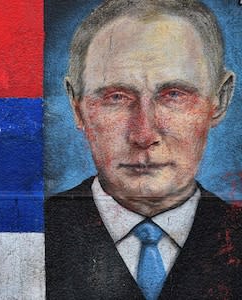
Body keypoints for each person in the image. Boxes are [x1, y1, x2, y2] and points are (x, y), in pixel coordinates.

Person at [44, 0, 242, 299]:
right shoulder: (29, 236)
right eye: (116, 97)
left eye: (174, 95)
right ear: (77, 106)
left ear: (221, 99)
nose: (144, 134)